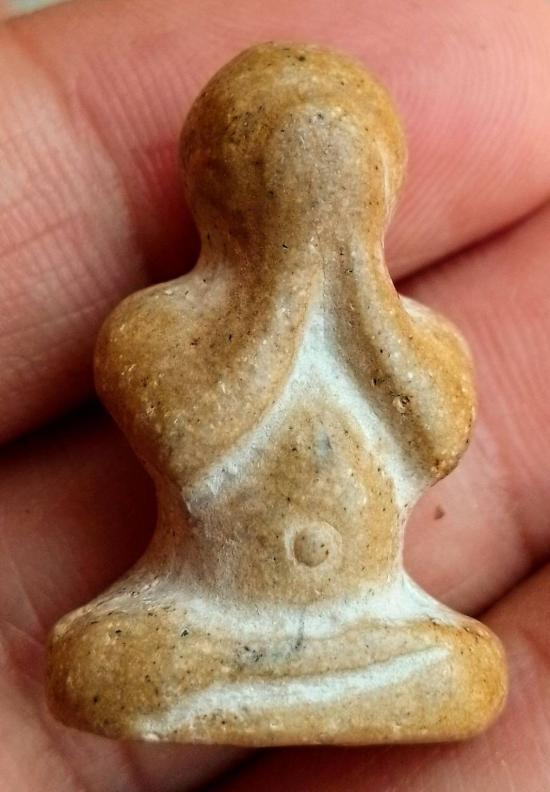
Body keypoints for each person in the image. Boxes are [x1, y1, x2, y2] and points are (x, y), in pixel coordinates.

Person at [0, 1, 549, 790]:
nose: (315, 197)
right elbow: (192, 449)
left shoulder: (425, 341)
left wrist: (356, 289)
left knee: (468, 672)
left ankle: (331, 678)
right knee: (104, 665)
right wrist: (286, 287)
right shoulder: (155, 328)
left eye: (343, 176)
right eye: (283, 174)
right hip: (204, 610)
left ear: (382, 186)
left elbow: (431, 441)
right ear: (217, 187)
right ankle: (274, 681)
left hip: (372, 614)